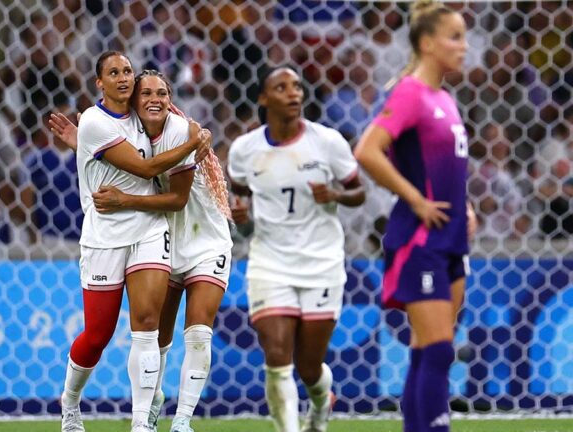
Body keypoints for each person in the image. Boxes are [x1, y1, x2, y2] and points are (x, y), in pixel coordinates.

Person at [49, 51, 208, 432]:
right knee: (97, 335)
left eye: (127, 71)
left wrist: (192, 131)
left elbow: (160, 130)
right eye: (113, 73)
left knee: (147, 325)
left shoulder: (145, 116)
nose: (123, 77)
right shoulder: (92, 121)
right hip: (104, 236)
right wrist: (195, 142)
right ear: (99, 83)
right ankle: (70, 402)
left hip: (150, 228)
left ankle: (141, 423)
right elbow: (144, 167)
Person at [353, 1, 476, 431]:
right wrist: (415, 200)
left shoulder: (445, 98)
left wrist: (466, 205)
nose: (464, 46)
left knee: (431, 349)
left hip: (453, 237)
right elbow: (367, 150)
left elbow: (445, 165)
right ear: (427, 43)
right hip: (421, 238)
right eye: (455, 36)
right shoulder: (409, 92)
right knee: (439, 350)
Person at [88, 70, 232, 432]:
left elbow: (179, 200)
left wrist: (123, 200)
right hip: (163, 240)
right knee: (157, 339)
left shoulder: (181, 131)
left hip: (206, 241)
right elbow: (105, 149)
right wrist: (79, 137)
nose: (155, 99)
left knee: (198, 332)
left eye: (163, 93)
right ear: (134, 102)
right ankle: (153, 401)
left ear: (171, 99)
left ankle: (182, 420)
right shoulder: (129, 133)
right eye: (147, 93)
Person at [227, 65, 365, 432]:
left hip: (321, 262)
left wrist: (335, 194)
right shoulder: (244, 150)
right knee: (276, 355)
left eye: (297, 87)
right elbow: (239, 194)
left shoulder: (327, 142)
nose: (294, 94)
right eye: (282, 87)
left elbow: (359, 191)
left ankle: (321, 405)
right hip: (270, 261)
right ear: (263, 98)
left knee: (308, 366)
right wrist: (239, 213)